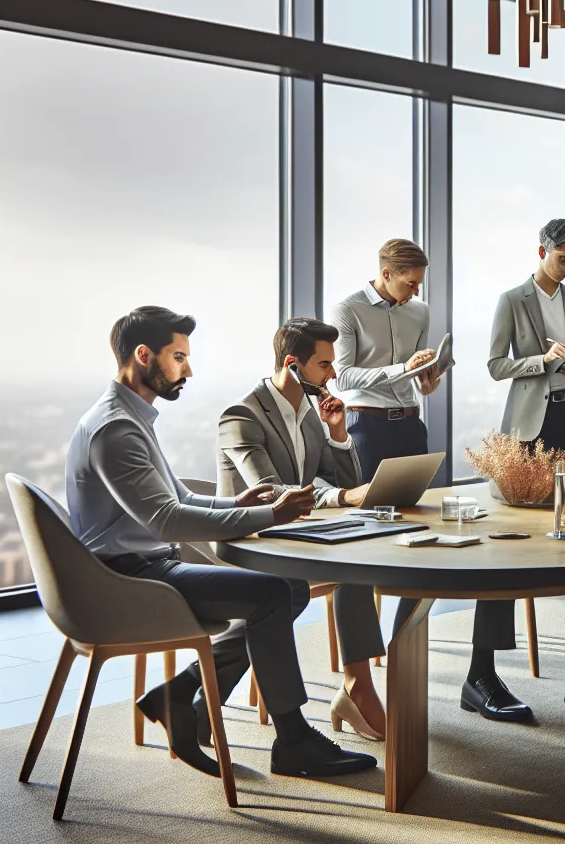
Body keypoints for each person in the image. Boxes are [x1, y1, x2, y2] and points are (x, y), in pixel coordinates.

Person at [67, 306, 375, 778]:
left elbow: (182, 497)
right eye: (179, 357)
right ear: (143, 355)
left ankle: (181, 695)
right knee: (272, 592)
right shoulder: (116, 428)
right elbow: (166, 520)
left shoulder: (130, 417)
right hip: (126, 578)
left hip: (139, 566)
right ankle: (292, 740)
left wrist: (240, 505)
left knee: (283, 591)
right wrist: (269, 512)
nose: (188, 369)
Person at [330, 239, 531, 723]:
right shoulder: (348, 310)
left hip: (410, 424)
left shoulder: (418, 311)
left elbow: (419, 378)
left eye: (419, 282)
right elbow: (341, 378)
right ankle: (359, 678)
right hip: (364, 427)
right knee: (366, 543)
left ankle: (403, 653)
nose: (417, 290)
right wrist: (403, 368)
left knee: (419, 533)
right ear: (385, 272)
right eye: (409, 281)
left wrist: (427, 377)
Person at [216, 318, 387, 740]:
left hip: (299, 533)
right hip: (254, 541)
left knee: (357, 559)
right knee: (292, 587)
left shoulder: (311, 414)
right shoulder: (241, 415)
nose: (333, 375)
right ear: (292, 364)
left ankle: (357, 686)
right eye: (325, 365)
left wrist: (339, 433)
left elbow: (343, 482)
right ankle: (205, 693)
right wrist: (341, 498)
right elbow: (271, 493)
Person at [487, 219, 565, 455]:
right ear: (542, 251)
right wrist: (543, 361)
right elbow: (496, 367)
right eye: (562, 260)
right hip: (529, 420)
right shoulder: (512, 300)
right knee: (531, 492)